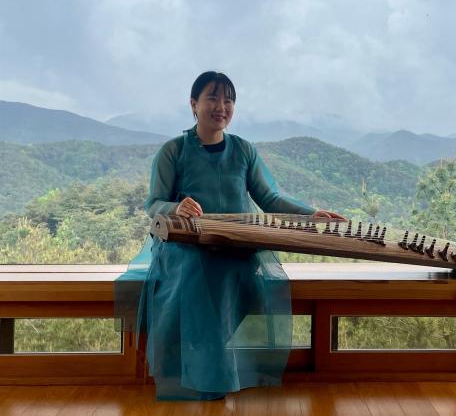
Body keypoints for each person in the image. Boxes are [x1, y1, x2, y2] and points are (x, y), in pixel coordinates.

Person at [121, 71, 344, 401]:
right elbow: (153, 203)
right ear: (194, 104)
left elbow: (269, 198)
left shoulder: (243, 150)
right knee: (199, 274)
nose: (221, 106)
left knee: (235, 273)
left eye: (228, 100)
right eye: (212, 98)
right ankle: (208, 376)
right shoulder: (173, 151)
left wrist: (310, 213)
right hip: (187, 248)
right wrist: (176, 207)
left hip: (237, 243)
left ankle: (217, 372)